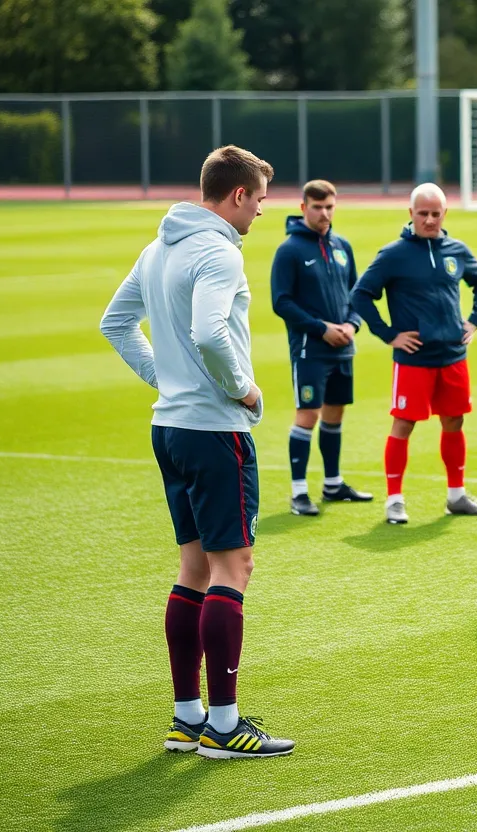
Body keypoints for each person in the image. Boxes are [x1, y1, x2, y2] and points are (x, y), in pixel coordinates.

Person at [99, 145, 294, 758]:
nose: (261, 210)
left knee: (194, 569)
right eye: (259, 199)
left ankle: (188, 718)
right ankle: (225, 726)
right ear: (237, 194)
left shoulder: (158, 247)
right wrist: (244, 389)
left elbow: (115, 323)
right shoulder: (218, 252)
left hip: (170, 428)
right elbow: (209, 333)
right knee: (233, 570)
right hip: (214, 430)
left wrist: (165, 381)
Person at [350, 183, 477, 524]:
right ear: (410, 214)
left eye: (435, 213)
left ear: (445, 214)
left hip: (453, 355)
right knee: (404, 424)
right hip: (414, 359)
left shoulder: (456, 250)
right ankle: (394, 500)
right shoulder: (394, 254)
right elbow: (361, 294)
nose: (429, 220)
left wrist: (475, 320)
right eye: (423, 213)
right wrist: (389, 335)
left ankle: (456, 495)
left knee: (454, 420)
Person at [271, 179, 371, 516]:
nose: (324, 213)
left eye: (329, 207)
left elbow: (357, 294)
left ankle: (332, 483)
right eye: (317, 207)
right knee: (308, 415)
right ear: (304, 208)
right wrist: (321, 329)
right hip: (309, 350)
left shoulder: (342, 246)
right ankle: (299, 492)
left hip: (342, 348)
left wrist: (352, 324)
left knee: (335, 413)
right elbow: (281, 302)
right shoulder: (289, 250)